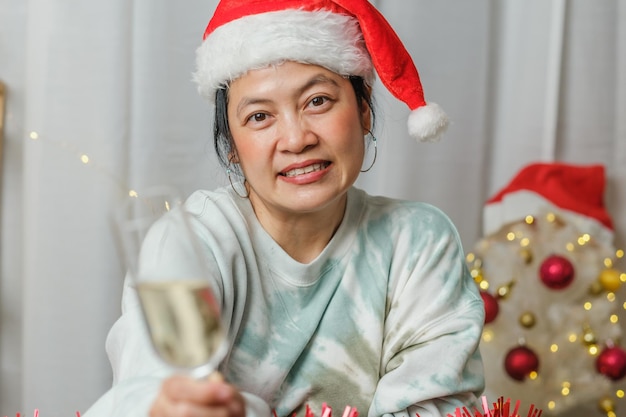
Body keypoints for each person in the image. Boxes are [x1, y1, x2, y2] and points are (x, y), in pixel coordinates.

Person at [84, 1, 485, 416]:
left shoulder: (417, 242)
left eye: (318, 101)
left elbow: (439, 408)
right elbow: (150, 387)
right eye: (260, 116)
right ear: (232, 148)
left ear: (364, 111)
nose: (295, 139)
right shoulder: (191, 242)